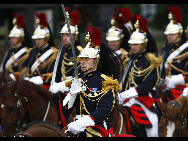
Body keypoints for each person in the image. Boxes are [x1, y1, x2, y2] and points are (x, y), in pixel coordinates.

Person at [61, 26, 122, 137]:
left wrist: (80, 123)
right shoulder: (78, 80)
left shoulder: (106, 82)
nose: (83, 62)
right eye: (82, 59)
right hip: (76, 128)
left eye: (87, 59)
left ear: (96, 61)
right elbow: (65, 111)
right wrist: (72, 94)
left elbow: (104, 111)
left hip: (96, 128)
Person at [118, 14, 162, 137]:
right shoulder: (130, 59)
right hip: (128, 100)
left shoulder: (151, 60)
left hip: (145, 100)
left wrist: (130, 92)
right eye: (132, 44)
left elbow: (149, 84)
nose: (133, 47)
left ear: (143, 44)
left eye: (137, 44)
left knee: (152, 129)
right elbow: (125, 80)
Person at [49, 7, 83, 94]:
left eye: (68, 35)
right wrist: (54, 84)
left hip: (74, 89)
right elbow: (56, 73)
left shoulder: (79, 52)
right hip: (60, 89)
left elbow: (80, 76)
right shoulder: (59, 52)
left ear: (75, 37)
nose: (64, 38)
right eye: (63, 36)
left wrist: (61, 85)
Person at [159, 7, 188, 99]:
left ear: (179, 34)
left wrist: (174, 80)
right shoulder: (165, 48)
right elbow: (162, 70)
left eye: (172, 34)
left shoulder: (186, 49)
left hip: (182, 85)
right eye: (168, 34)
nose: (169, 36)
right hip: (165, 85)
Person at [24, 12, 58, 89]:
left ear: (47, 38)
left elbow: (52, 73)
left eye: (39, 39)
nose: (37, 42)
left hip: (45, 85)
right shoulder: (32, 51)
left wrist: (40, 79)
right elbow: (28, 68)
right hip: (32, 84)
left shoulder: (53, 53)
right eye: (36, 39)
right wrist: (27, 77)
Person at [1, 13, 32, 80]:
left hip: (17, 81)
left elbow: (24, 71)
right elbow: (3, 68)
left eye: (14, 37)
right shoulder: (9, 51)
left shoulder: (26, 52)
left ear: (21, 38)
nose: (12, 39)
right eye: (11, 37)